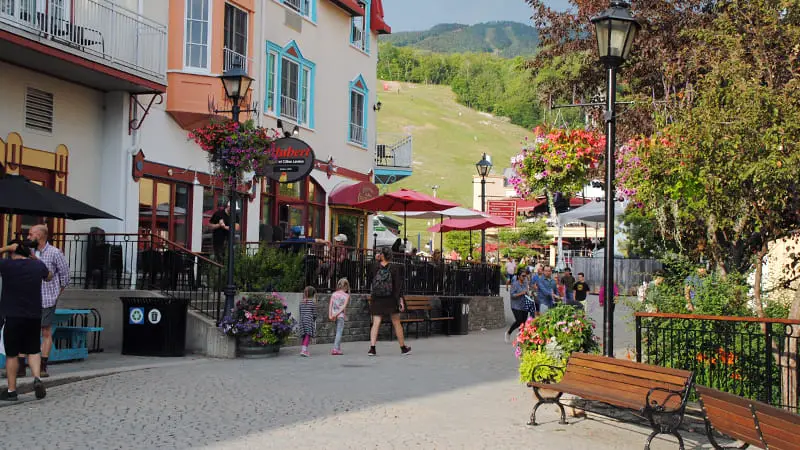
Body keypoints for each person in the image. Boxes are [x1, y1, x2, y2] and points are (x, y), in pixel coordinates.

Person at [0, 241, 51, 401]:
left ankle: (12, 391)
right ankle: (36, 378)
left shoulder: (7, 265)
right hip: (34, 315)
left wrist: (5, 248)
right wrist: (34, 257)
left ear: (12, 252)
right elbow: (49, 276)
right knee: (34, 349)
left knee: (12, 354)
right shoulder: (37, 266)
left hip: (12, 315)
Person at [27, 224, 69, 378]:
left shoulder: (55, 252)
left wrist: (56, 294)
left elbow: (65, 276)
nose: (28, 237)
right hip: (30, 298)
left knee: (45, 330)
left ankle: (43, 365)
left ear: (40, 235)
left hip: (47, 298)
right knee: (28, 330)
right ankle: (22, 363)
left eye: (31, 234)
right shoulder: (29, 251)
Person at [368, 247, 411, 356]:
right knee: (396, 322)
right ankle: (403, 348)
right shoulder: (395, 268)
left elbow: (370, 279)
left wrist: (376, 260)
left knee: (376, 322)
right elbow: (398, 286)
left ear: (381, 255)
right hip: (391, 298)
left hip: (377, 298)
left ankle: (372, 348)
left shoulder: (375, 267)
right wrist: (400, 299)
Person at [505, 270, 531, 343]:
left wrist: (529, 294)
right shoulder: (514, 284)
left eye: (525, 276)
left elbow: (527, 292)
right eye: (523, 276)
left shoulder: (525, 283)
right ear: (519, 276)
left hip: (524, 305)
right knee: (519, 320)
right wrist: (521, 293)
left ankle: (521, 337)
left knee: (523, 322)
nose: (524, 277)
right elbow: (512, 295)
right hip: (516, 305)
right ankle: (508, 332)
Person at [328, 278, 350, 355]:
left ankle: (338, 348)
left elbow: (330, 305)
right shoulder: (346, 295)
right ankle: (335, 349)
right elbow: (343, 307)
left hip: (334, 315)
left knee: (337, 332)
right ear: (346, 286)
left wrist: (330, 315)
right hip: (340, 316)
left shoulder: (334, 294)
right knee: (339, 332)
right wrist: (341, 315)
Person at [298, 286, 317, 357]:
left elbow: (300, 312)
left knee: (304, 335)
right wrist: (314, 319)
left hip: (302, 319)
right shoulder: (312, 303)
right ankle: (304, 350)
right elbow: (314, 313)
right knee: (308, 335)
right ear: (312, 294)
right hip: (309, 320)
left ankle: (303, 349)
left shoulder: (301, 302)